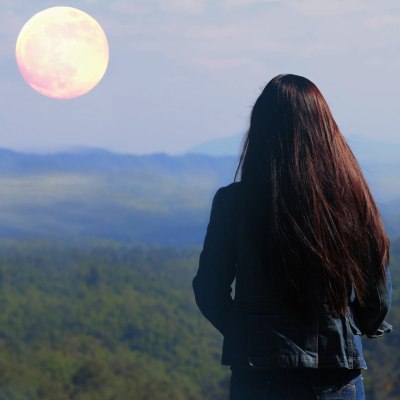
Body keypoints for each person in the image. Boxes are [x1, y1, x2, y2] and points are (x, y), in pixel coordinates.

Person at [192, 74, 392, 400]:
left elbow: (209, 291)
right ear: (325, 130)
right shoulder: (353, 200)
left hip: (258, 375)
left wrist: (251, 334)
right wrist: (345, 327)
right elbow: (376, 300)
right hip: (335, 373)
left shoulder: (233, 203)